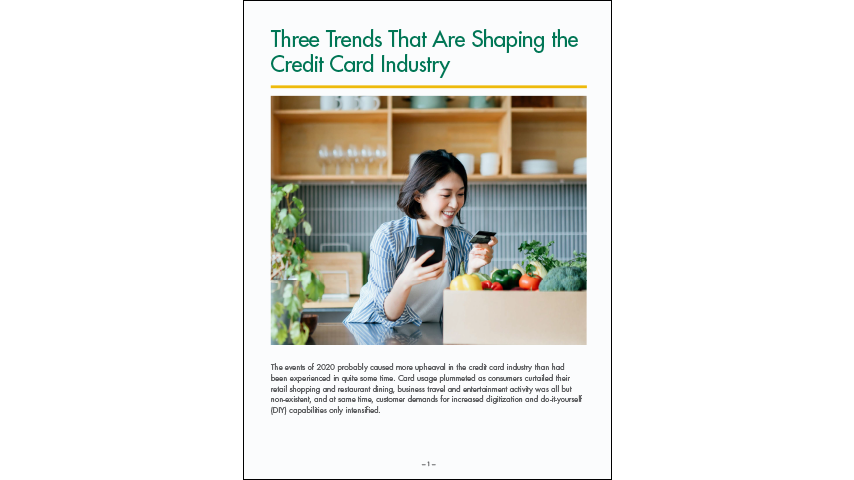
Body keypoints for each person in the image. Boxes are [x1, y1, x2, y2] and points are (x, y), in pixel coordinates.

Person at [343, 149, 498, 326]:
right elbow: (388, 315)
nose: (455, 203)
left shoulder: (463, 241)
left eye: (460, 194)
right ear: (418, 196)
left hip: (426, 335)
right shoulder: (389, 237)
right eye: (446, 195)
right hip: (371, 333)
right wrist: (405, 281)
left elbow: (460, 313)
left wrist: (471, 271)